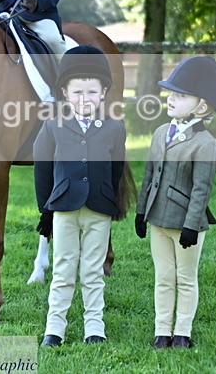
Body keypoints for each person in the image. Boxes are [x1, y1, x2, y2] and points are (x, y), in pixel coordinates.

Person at [33, 45, 127, 346]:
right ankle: (54, 328)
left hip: (99, 209)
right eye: (77, 92)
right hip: (64, 208)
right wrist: (46, 210)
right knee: (63, 269)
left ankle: (94, 327)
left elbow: (116, 169)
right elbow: (42, 170)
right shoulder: (52, 126)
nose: (84, 99)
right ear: (64, 92)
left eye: (91, 92)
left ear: (103, 93)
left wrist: (109, 198)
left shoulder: (114, 128)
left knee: (93, 271)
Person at [135, 55, 216, 349]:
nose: (172, 98)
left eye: (181, 95)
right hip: (158, 219)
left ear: (202, 106)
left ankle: (183, 333)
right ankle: (162, 331)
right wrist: (141, 211)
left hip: (186, 225)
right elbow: (149, 175)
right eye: (171, 93)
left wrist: (191, 226)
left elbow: (202, 190)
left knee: (185, 278)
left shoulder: (206, 145)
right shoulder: (160, 133)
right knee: (163, 277)